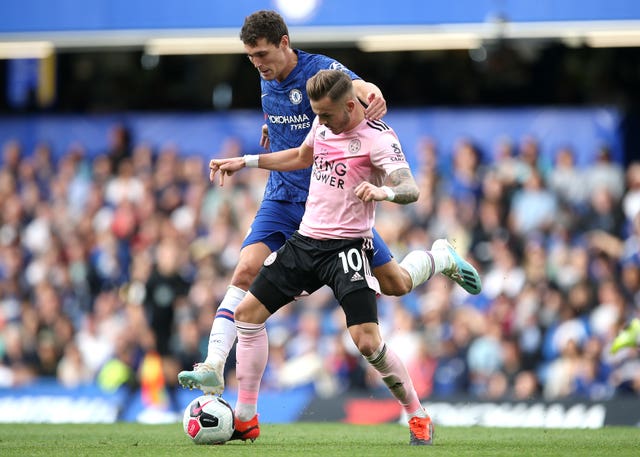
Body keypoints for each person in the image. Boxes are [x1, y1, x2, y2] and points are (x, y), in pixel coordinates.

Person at [178, 9, 481, 396]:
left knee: (396, 284)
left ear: (284, 44)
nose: (257, 64)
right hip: (284, 196)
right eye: (251, 57)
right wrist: (272, 126)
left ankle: (440, 258)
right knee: (245, 269)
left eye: (263, 55)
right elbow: (291, 118)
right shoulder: (266, 76)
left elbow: (358, 89)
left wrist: (373, 93)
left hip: (333, 206)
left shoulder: (319, 69)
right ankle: (214, 365)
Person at [210, 69, 436, 444]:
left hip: (348, 248)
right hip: (305, 242)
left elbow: (409, 188)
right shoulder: (323, 124)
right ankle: (246, 418)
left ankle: (417, 414)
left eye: (327, 115)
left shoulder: (378, 139)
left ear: (351, 105)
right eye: (318, 115)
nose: (322, 122)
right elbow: (301, 155)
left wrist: (385, 194)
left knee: (367, 343)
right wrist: (246, 161)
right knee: (246, 316)